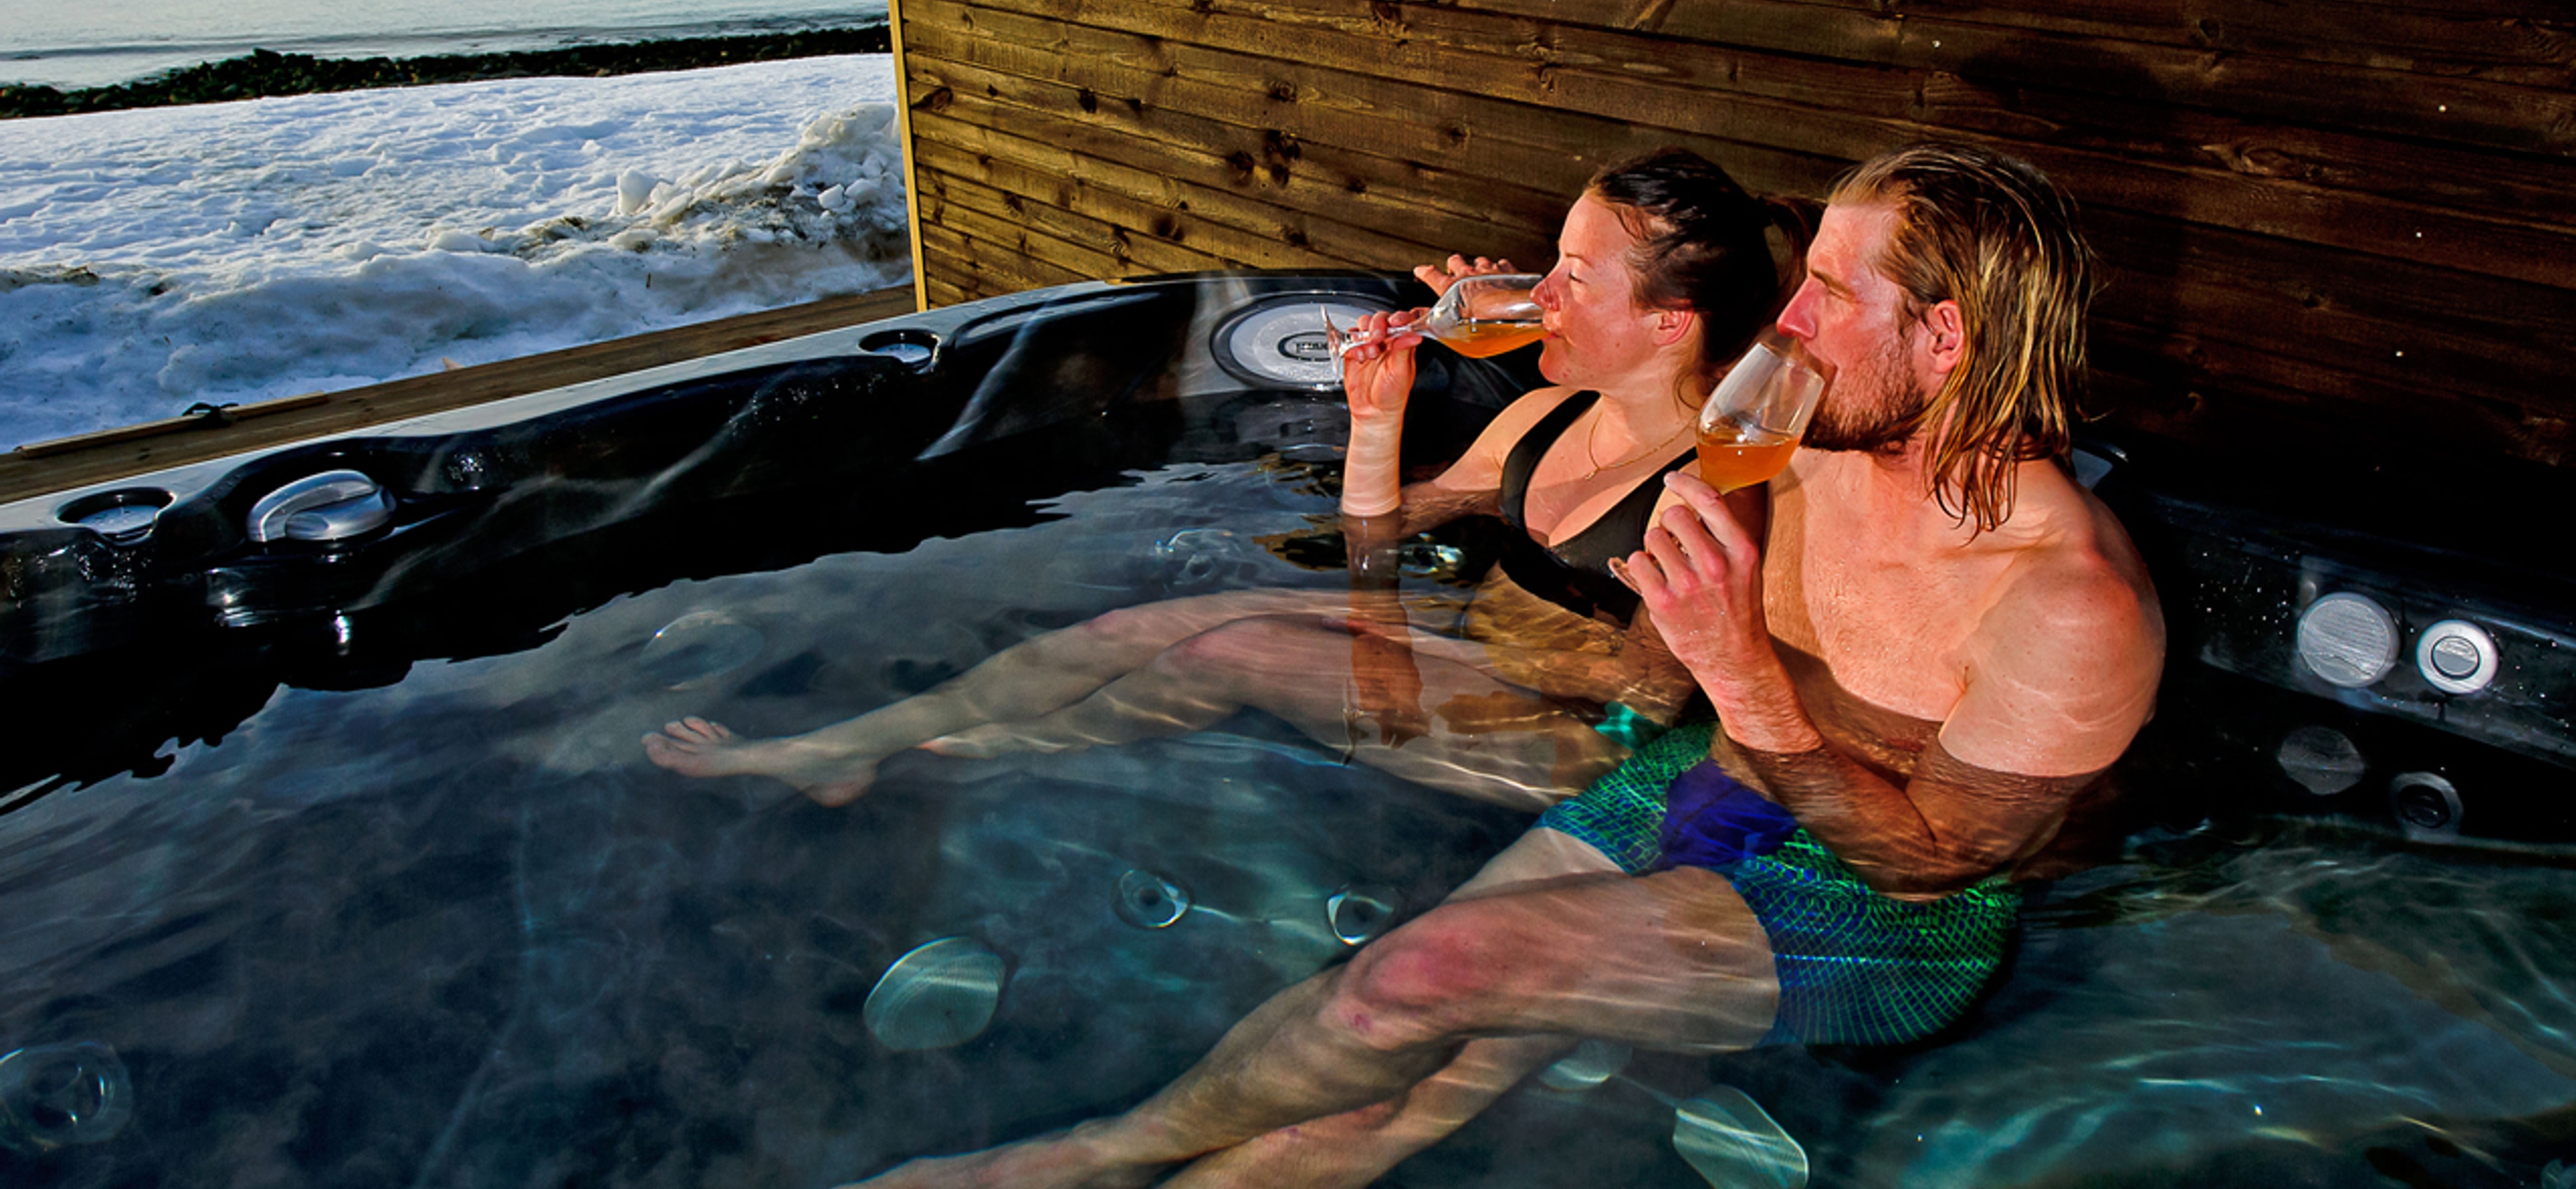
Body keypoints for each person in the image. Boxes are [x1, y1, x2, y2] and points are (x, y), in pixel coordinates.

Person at [846, 142, 2165, 1189]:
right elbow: (1618, 371)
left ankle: (1081, 1161)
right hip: (1689, 787)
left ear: (1946, 342)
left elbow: (1929, 858)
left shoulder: (2066, 601)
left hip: (1870, 927)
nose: (1795, 316)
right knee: (1404, 1046)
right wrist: (1489, 319)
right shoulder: (1801, 425)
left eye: (1834, 292)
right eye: (1802, 274)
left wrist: (1736, 669)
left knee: (1427, 980)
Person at [643, 148, 1793, 813]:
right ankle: (868, 742)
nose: (1540, 290)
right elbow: (1373, 535)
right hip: (1477, 661)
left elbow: (1653, 705)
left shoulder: (1718, 481)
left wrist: (1405, 644)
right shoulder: (1548, 415)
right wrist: (1376, 421)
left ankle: (918, 757)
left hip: (1573, 747)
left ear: (1667, 324)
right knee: (1174, 616)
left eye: (1573, 277)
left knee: (1228, 647)